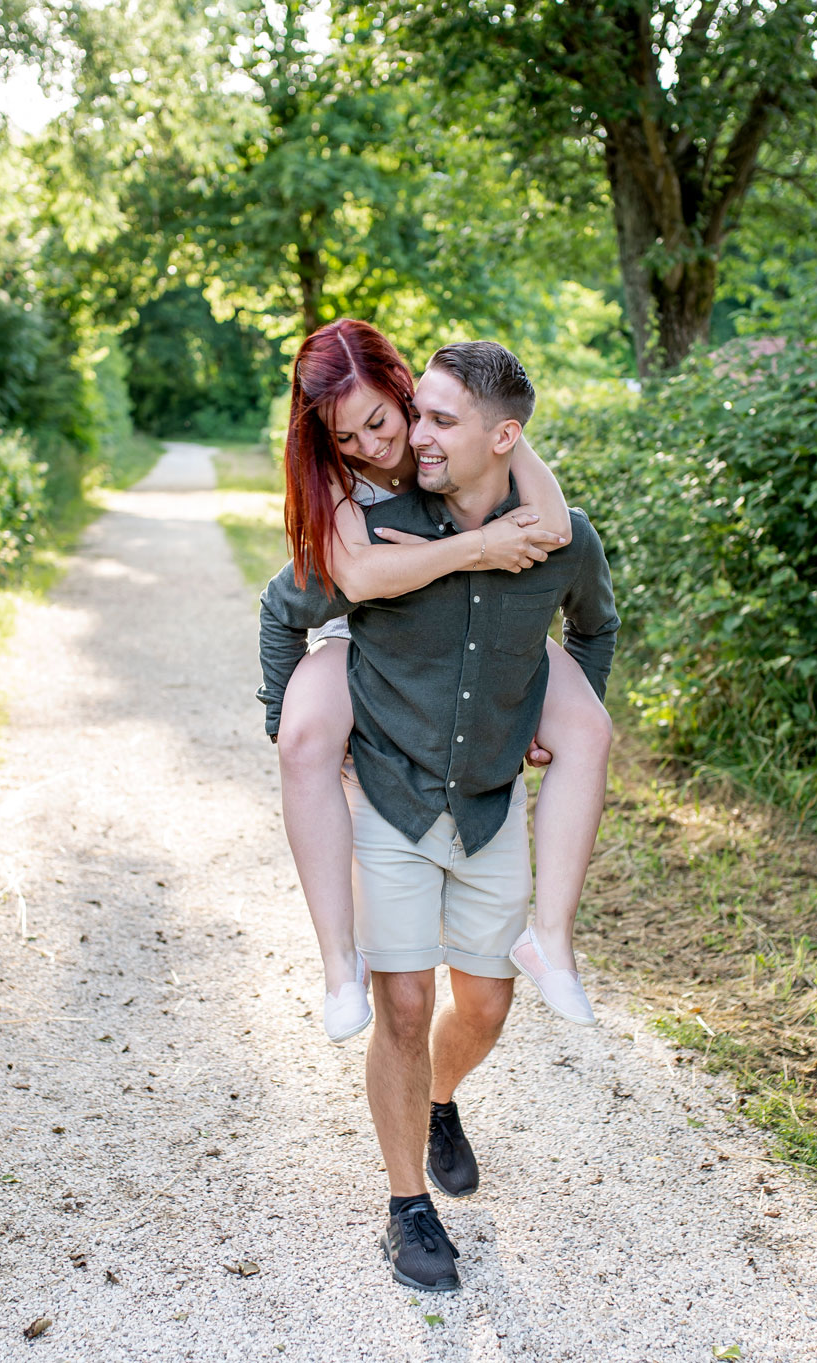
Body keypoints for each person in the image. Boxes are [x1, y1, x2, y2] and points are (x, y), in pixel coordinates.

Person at [258, 340, 620, 1292]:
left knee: (487, 1001)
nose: (392, 441)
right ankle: (406, 1206)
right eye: (363, 431)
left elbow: (583, 592)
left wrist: (547, 706)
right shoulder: (362, 511)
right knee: (404, 999)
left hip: (488, 781)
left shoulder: (538, 518)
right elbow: (306, 596)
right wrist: (290, 723)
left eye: (405, 417)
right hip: (386, 753)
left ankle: (443, 1095)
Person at [274, 320, 613, 1044]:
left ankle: (551, 939)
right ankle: (340, 964)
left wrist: (538, 711)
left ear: (404, 393)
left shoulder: (454, 431)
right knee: (303, 737)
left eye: (379, 420)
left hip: (476, 620)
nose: (373, 445)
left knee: (588, 727)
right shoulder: (341, 481)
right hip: (363, 620)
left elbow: (554, 526)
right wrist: (479, 547)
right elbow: (356, 577)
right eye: (347, 437)